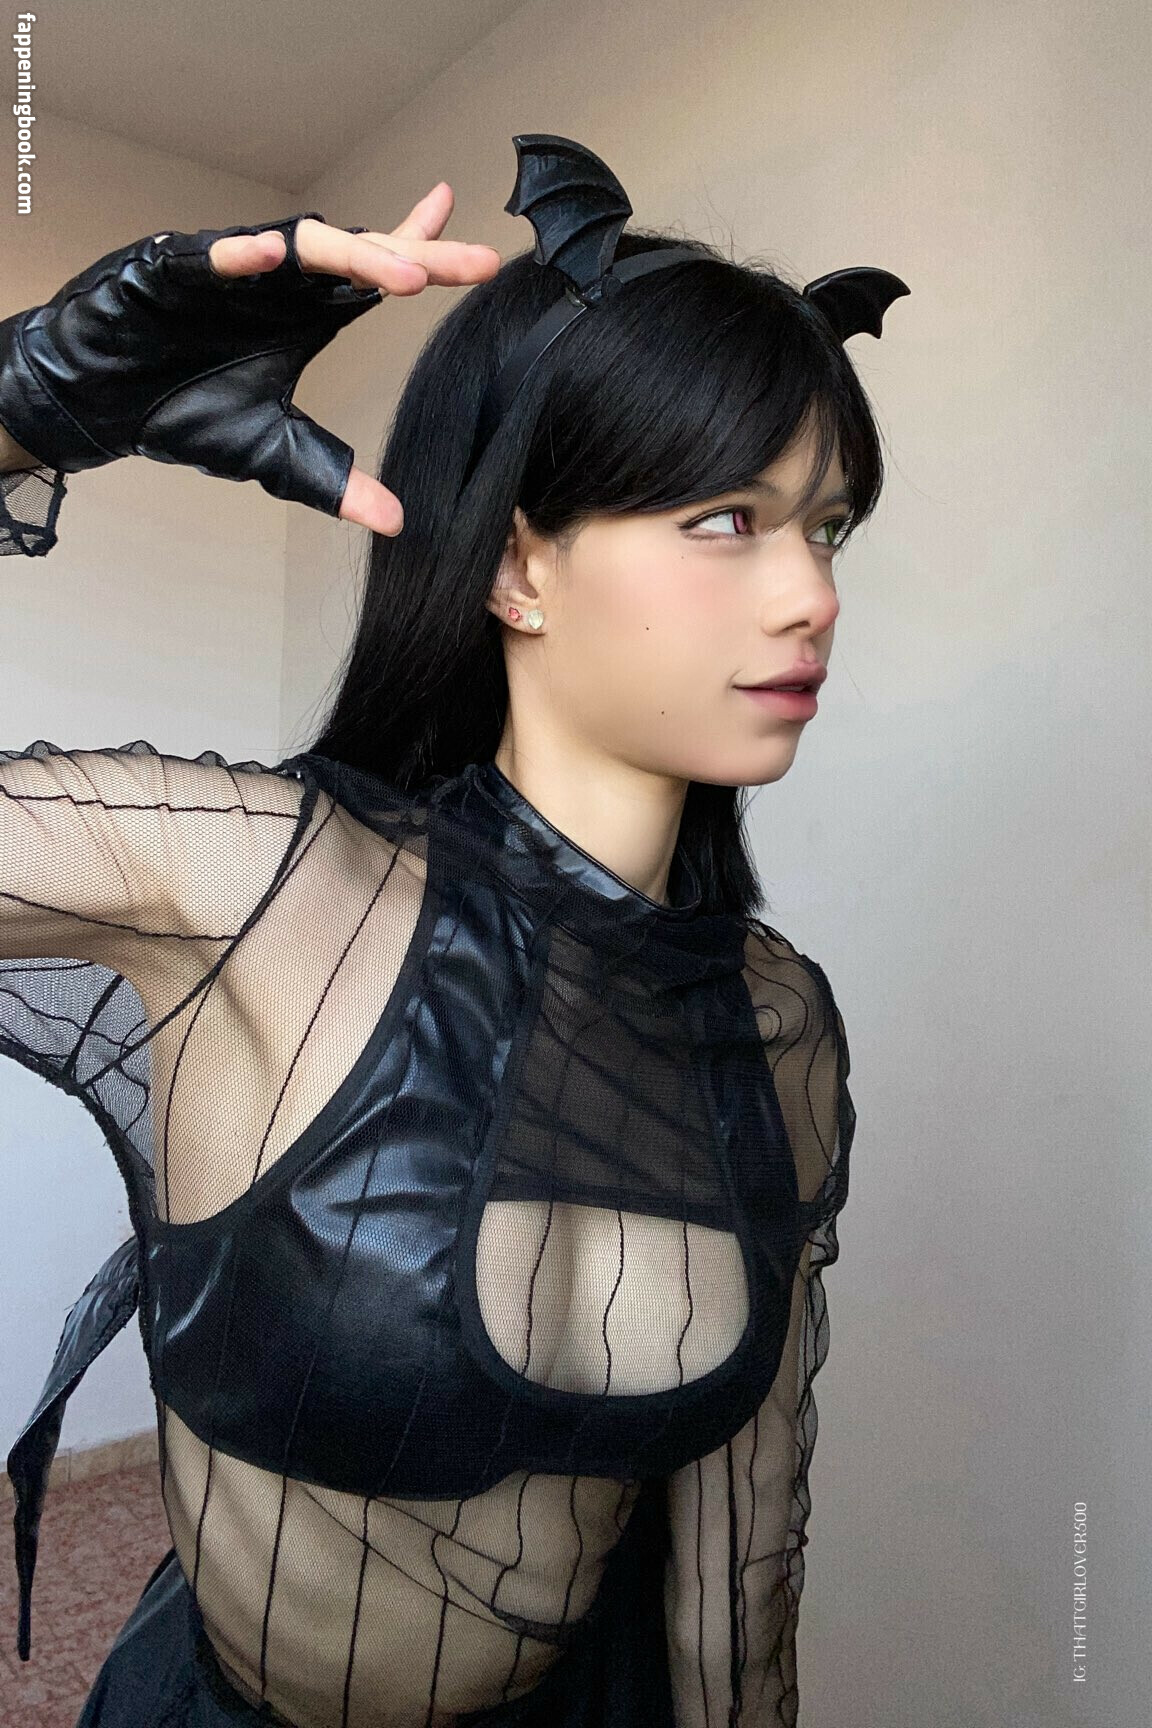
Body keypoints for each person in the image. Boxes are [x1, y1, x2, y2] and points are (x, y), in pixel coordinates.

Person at [0, 135, 890, 1728]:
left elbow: (741, 1556)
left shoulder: (774, 1025)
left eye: (825, 527)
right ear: (518, 563)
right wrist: (22, 406)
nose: (812, 596)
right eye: (726, 519)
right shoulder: (258, 890)